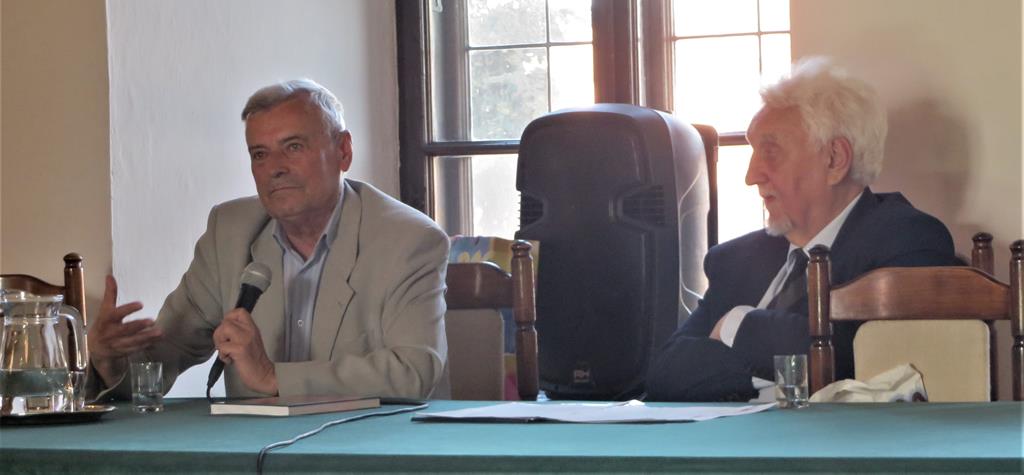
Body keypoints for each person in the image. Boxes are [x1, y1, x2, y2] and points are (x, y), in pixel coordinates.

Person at [88, 79, 449, 399]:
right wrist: (109, 359)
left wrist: (273, 376)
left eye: (293, 147)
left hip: (363, 442)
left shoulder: (407, 239)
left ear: (343, 151)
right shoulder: (229, 232)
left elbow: (413, 371)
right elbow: (165, 355)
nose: (275, 168)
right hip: (252, 447)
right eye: (260, 154)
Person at [645, 58, 959, 402]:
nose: (751, 176)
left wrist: (737, 324)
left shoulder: (907, 240)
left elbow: (861, 360)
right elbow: (666, 374)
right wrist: (766, 372)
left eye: (771, 152)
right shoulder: (735, 260)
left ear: (835, 159)